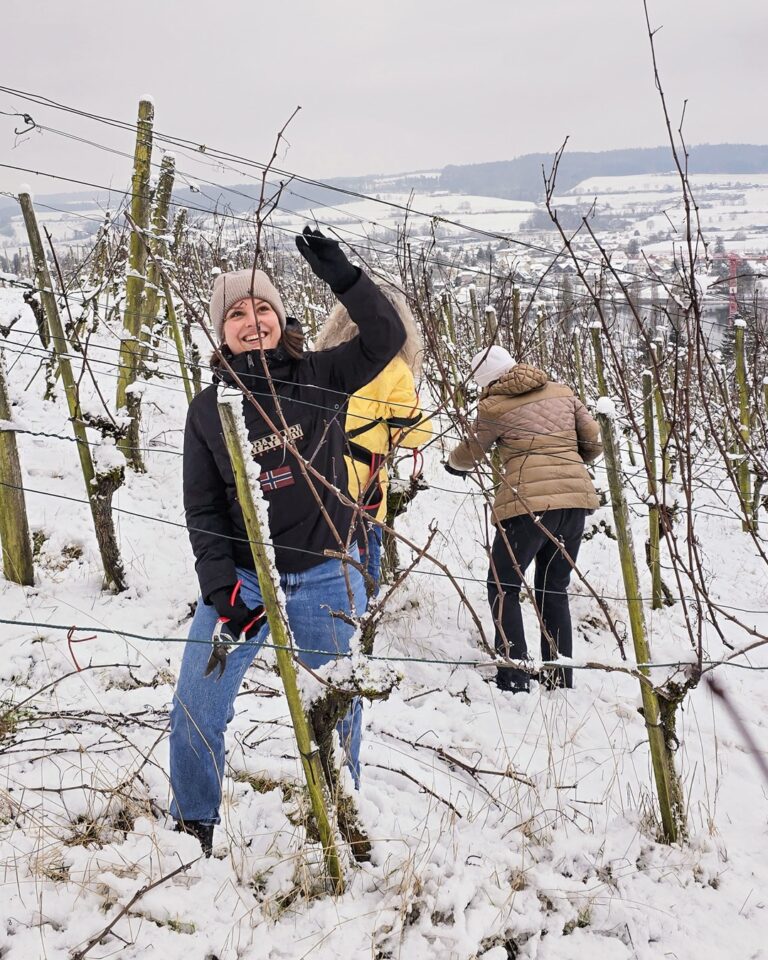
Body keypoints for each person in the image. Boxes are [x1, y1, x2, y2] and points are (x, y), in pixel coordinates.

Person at [170, 228, 405, 855]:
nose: (252, 321)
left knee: (339, 709)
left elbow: (386, 337)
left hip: (327, 572)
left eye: (262, 308)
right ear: (221, 332)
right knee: (197, 704)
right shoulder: (207, 409)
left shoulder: (318, 375)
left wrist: (344, 278)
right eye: (236, 314)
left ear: (279, 316)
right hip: (246, 579)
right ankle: (191, 829)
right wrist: (221, 588)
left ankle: (341, 817)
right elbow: (202, 506)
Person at [446, 345, 602, 693]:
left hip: (526, 507)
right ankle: (559, 676)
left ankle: (513, 675)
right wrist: (568, 463)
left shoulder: (494, 406)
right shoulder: (563, 392)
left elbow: (471, 452)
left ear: (487, 381)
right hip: (575, 502)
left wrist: (453, 465)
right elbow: (593, 441)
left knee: (503, 585)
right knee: (553, 587)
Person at [313, 283, 432, 593]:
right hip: (362, 493)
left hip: (316, 483)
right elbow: (415, 433)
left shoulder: (322, 359)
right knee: (362, 584)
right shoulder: (393, 369)